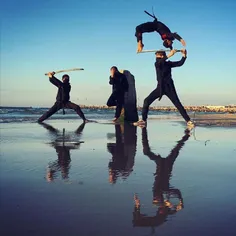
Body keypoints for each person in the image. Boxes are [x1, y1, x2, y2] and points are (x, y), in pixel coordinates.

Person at [133, 128, 190, 229]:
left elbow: (140, 221)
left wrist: (137, 206)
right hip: (167, 166)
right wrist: (180, 203)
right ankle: (187, 135)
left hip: (160, 165)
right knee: (176, 149)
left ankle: (143, 130)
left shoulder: (158, 197)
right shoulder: (166, 194)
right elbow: (176, 191)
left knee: (146, 152)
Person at [134, 49, 194, 128]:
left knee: (177, 104)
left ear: (162, 55)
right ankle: (143, 120)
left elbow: (180, 63)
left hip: (169, 87)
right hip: (160, 88)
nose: (156, 58)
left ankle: (188, 121)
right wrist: (170, 55)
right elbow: (160, 62)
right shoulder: (157, 63)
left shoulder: (168, 64)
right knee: (146, 101)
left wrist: (184, 55)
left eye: (158, 56)